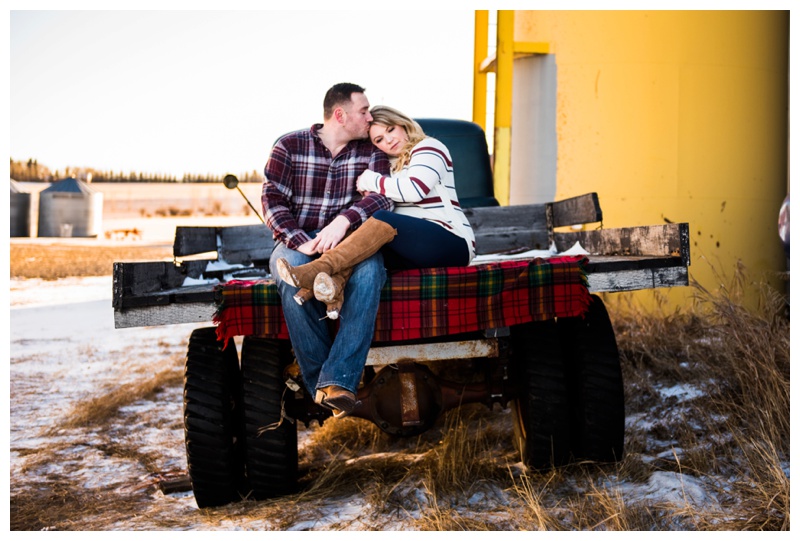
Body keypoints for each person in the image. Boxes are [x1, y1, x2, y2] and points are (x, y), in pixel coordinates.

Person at [276, 105, 476, 415]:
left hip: (448, 240)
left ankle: (315, 271)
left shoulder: (429, 148)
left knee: (381, 219)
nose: (388, 142)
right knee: (365, 250)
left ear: (403, 125)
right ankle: (321, 285)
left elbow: (415, 189)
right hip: (411, 246)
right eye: (379, 140)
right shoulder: (392, 165)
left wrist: (371, 180)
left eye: (391, 132)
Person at [263, 83, 393, 418]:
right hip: (299, 239)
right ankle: (321, 389)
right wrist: (299, 241)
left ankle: (339, 382)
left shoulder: (371, 151)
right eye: (363, 111)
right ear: (340, 114)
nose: (370, 116)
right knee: (290, 274)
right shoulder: (289, 145)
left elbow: (382, 197)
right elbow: (272, 199)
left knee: (370, 273)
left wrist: (344, 220)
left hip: (351, 242)